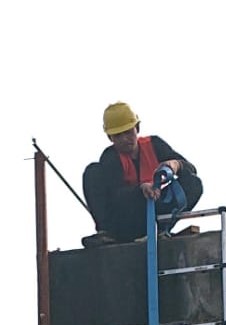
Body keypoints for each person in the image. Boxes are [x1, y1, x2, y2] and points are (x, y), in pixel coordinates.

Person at [82, 102, 203, 245]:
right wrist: (140, 190)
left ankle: (162, 229)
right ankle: (106, 233)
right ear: (110, 138)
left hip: (155, 214)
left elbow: (191, 169)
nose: (124, 139)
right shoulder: (110, 157)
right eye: (118, 135)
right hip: (126, 220)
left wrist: (177, 165)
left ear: (137, 128)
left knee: (193, 183)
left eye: (128, 132)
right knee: (92, 172)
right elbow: (115, 196)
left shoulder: (155, 145)